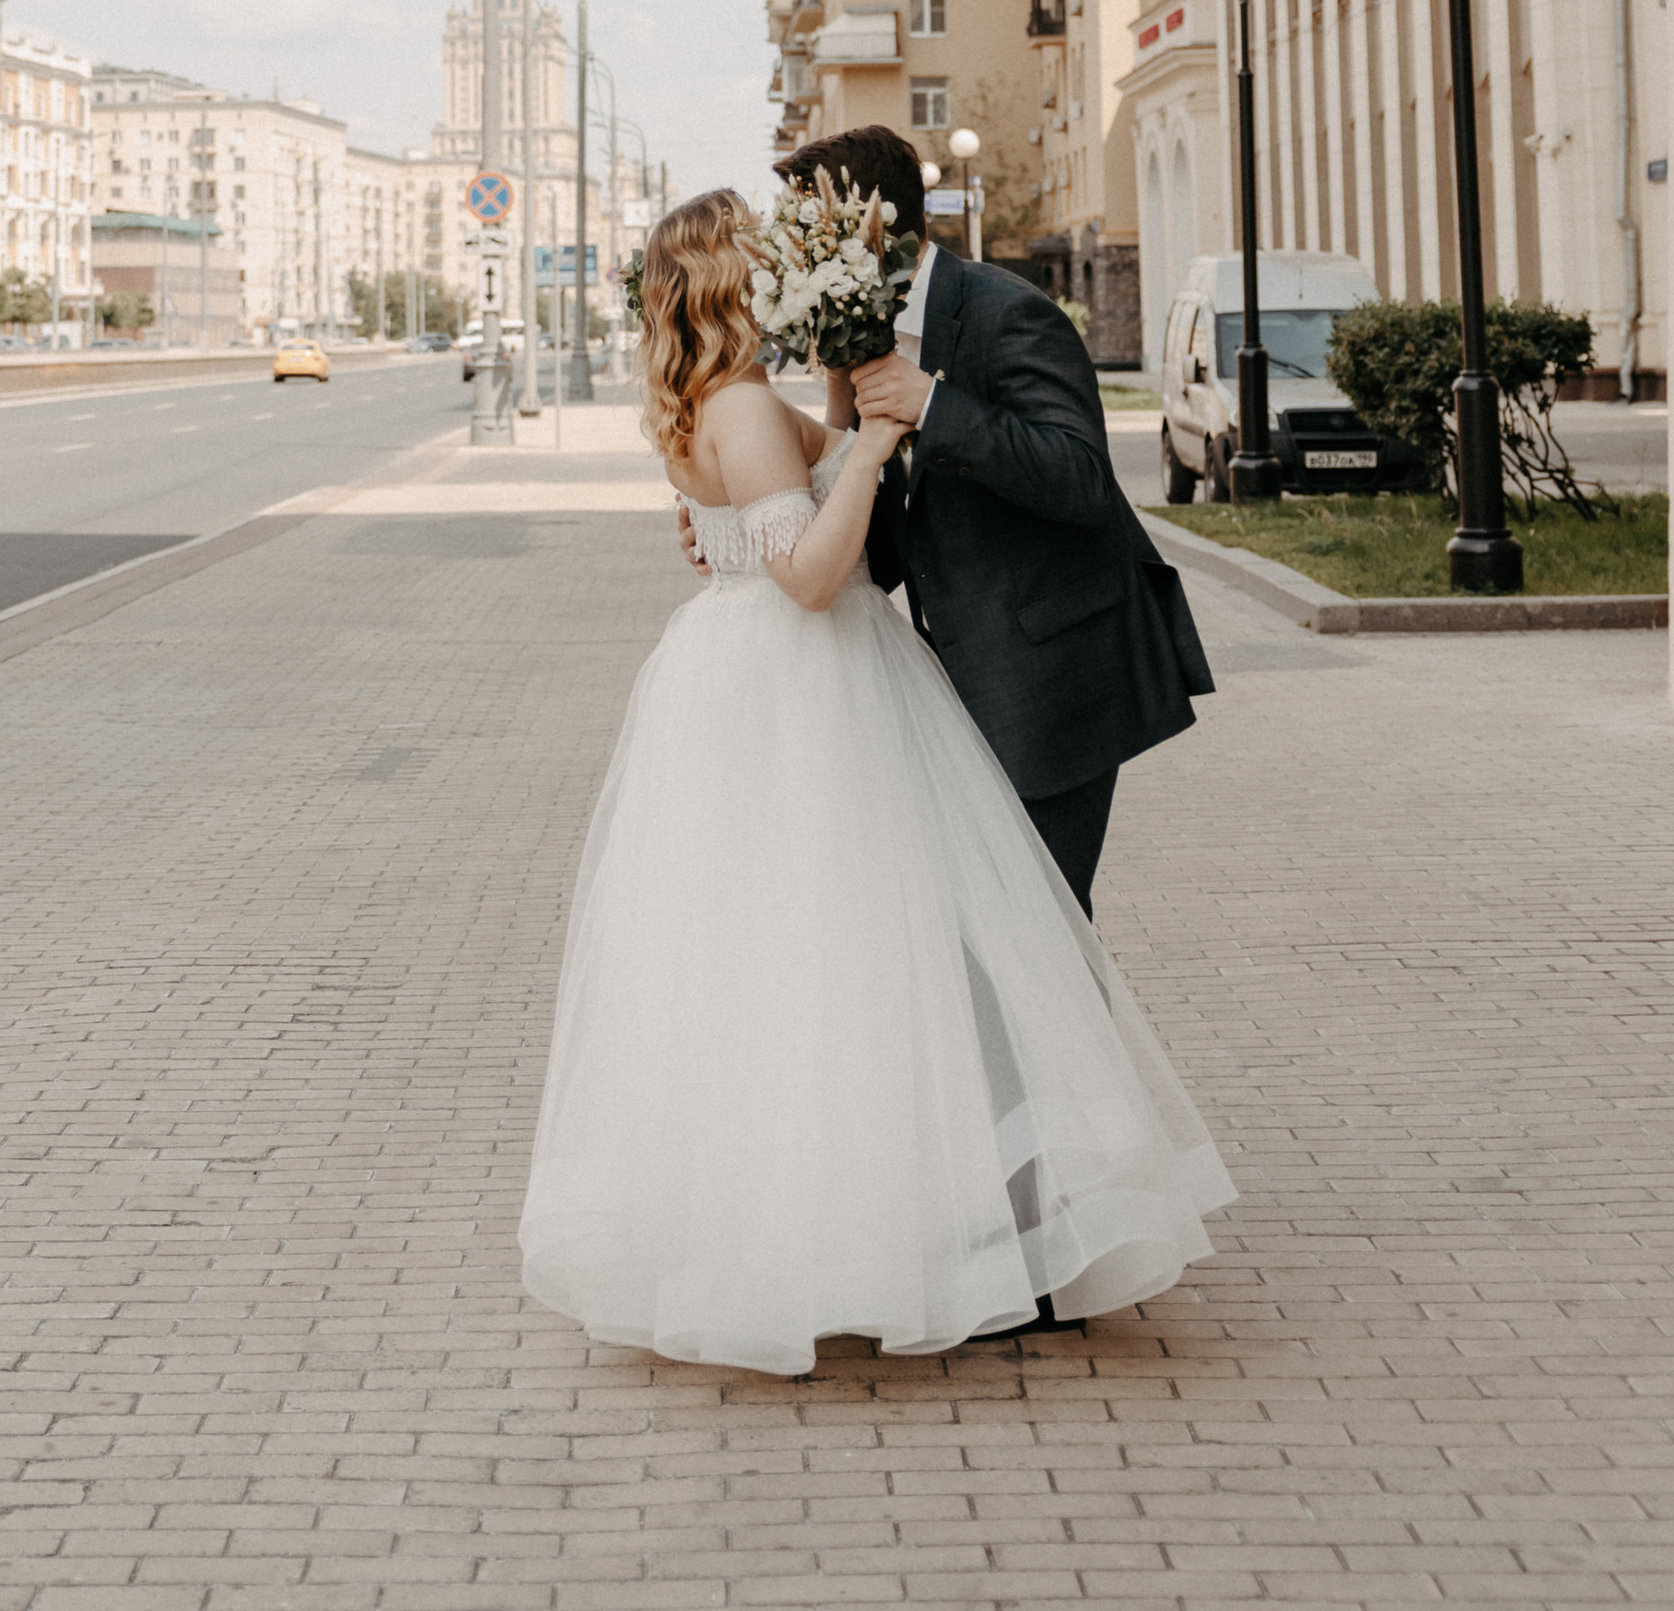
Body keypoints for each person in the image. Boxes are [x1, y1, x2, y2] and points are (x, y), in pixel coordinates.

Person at [517, 190, 1233, 1378]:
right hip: (804, 682)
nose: (782, 267)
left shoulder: (725, 394)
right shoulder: (741, 400)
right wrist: (881, 445)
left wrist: (855, 432)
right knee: (845, 959)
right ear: (728, 277)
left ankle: (918, 1223)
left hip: (777, 679)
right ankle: (881, 1242)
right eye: (765, 254)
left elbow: (792, 503)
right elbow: (805, 571)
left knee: (828, 961)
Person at [758, 123, 1213, 917]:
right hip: (958, 686)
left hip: (1056, 675)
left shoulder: (1010, 315)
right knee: (987, 940)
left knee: (1044, 938)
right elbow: (885, 553)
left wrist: (933, 404)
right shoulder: (861, 337)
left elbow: (1079, 479)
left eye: (803, 230)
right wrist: (754, 533)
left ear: (868, 227)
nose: (790, 253)